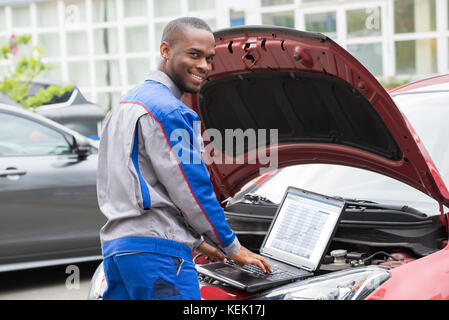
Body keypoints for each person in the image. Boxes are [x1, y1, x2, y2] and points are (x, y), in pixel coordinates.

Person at [97, 17, 272, 300]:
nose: (204, 65)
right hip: (158, 257)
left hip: (120, 252)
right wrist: (231, 246)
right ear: (165, 50)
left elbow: (131, 186)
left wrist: (200, 242)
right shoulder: (171, 112)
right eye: (194, 54)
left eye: (209, 58)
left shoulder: (123, 107)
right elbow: (193, 190)